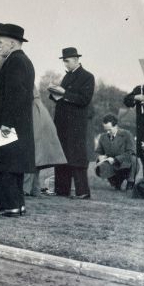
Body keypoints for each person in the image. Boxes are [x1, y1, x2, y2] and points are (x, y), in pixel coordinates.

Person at [0, 23, 35, 217]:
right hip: (12, 123)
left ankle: (8, 206)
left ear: (12, 43)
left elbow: (15, 95)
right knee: (9, 165)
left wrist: (6, 124)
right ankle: (14, 205)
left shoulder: (15, 61)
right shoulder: (20, 60)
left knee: (5, 164)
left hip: (7, 123)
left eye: (0, 42)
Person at [48, 47, 95, 199]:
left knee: (77, 157)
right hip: (62, 122)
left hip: (76, 124)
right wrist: (55, 93)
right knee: (62, 155)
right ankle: (62, 189)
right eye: (64, 61)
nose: (65, 64)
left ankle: (83, 192)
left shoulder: (88, 77)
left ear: (76, 60)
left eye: (67, 61)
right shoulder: (67, 76)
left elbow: (84, 100)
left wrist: (63, 93)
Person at [23, 87, 67, 197]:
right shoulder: (38, 103)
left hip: (35, 116)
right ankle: (34, 189)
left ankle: (26, 189)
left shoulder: (32, 102)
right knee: (36, 158)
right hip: (41, 116)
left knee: (32, 156)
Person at [95, 114, 136, 190]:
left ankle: (130, 182)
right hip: (111, 163)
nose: (107, 132)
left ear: (116, 126)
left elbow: (131, 151)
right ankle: (115, 182)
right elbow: (99, 151)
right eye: (105, 130)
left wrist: (115, 159)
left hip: (124, 162)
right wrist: (100, 156)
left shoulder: (126, 134)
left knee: (133, 158)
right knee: (100, 164)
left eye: (109, 130)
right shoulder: (103, 137)